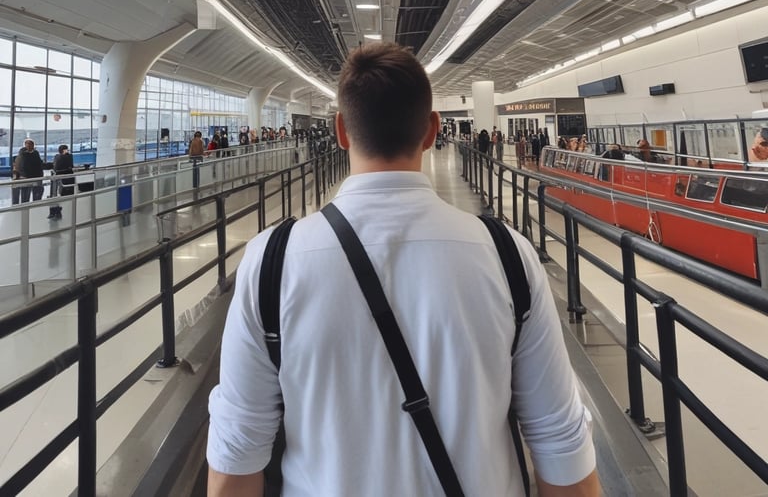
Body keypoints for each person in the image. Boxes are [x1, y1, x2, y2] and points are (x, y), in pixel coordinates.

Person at [207, 42, 599, 497]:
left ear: (341, 131)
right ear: (432, 130)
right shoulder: (507, 254)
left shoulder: (270, 262)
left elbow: (237, 457)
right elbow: (559, 440)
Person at [48, 144, 74, 219]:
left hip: (60, 179)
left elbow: (56, 166)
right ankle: (55, 212)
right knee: (56, 196)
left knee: (56, 195)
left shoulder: (60, 157)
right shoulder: (67, 157)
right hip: (63, 179)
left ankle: (55, 212)